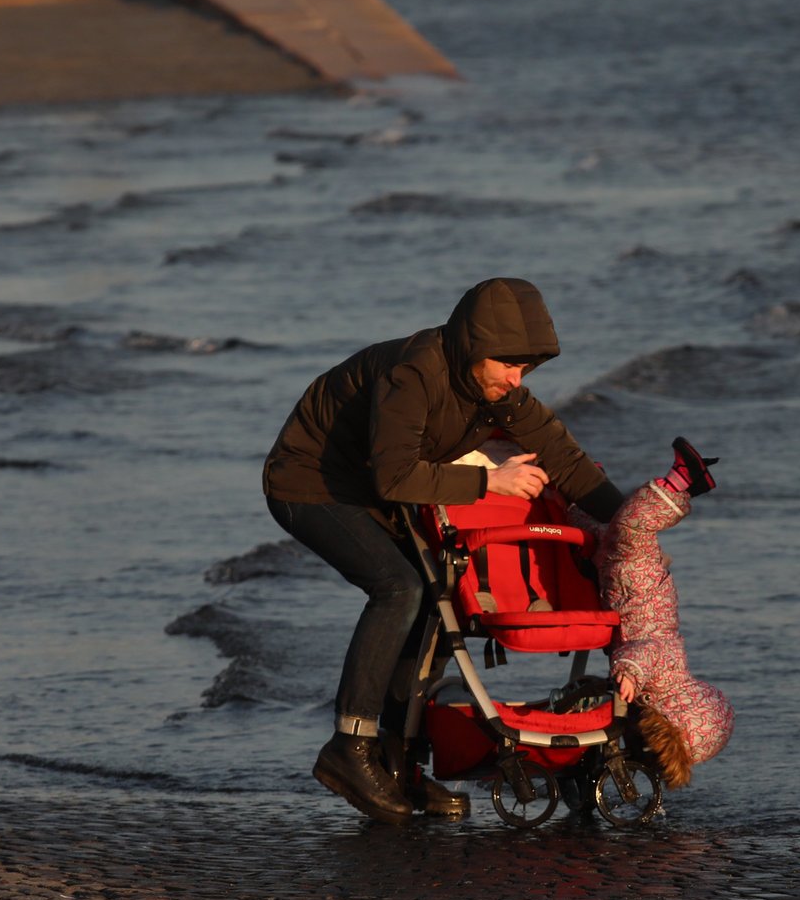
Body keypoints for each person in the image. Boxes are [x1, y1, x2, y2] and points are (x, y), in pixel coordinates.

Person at [264, 278, 625, 826]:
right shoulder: (414, 373)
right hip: (309, 481)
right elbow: (395, 475)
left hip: (371, 492)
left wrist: (632, 528)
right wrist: (489, 484)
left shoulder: (497, 392)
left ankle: (397, 761)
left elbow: (567, 463)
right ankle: (349, 748)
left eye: (524, 370)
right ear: (473, 347)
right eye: (507, 364)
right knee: (398, 587)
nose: (515, 378)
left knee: (437, 598)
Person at [587, 439, 734, 788]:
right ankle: (681, 481)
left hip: (624, 590)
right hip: (636, 585)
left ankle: (585, 482)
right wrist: (630, 673)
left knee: (599, 531)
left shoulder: (658, 693)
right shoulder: (667, 674)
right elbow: (647, 652)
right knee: (631, 527)